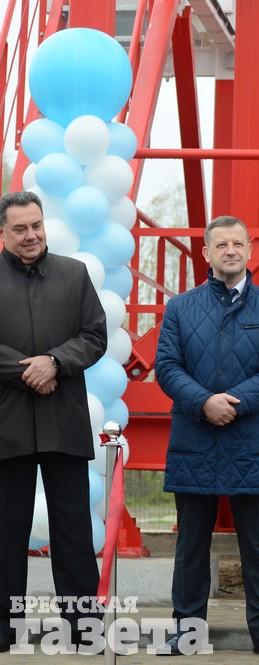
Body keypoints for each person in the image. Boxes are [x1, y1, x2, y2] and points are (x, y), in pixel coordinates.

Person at [154, 215, 259, 658]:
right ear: (206, 253)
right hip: (195, 437)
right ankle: (187, 632)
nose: (230, 251)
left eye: (237, 243)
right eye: (221, 245)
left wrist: (234, 401)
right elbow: (167, 366)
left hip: (252, 438)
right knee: (191, 544)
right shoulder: (181, 308)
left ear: (250, 250)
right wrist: (203, 402)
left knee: (258, 544)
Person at [0, 191, 107, 652]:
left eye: (37, 225)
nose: (31, 235)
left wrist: (55, 362)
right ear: (3, 232)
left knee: (74, 531)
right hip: (7, 424)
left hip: (64, 421)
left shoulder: (74, 274)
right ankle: (3, 629)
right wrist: (29, 371)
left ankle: (83, 629)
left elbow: (95, 336)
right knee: (5, 532)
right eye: (20, 228)